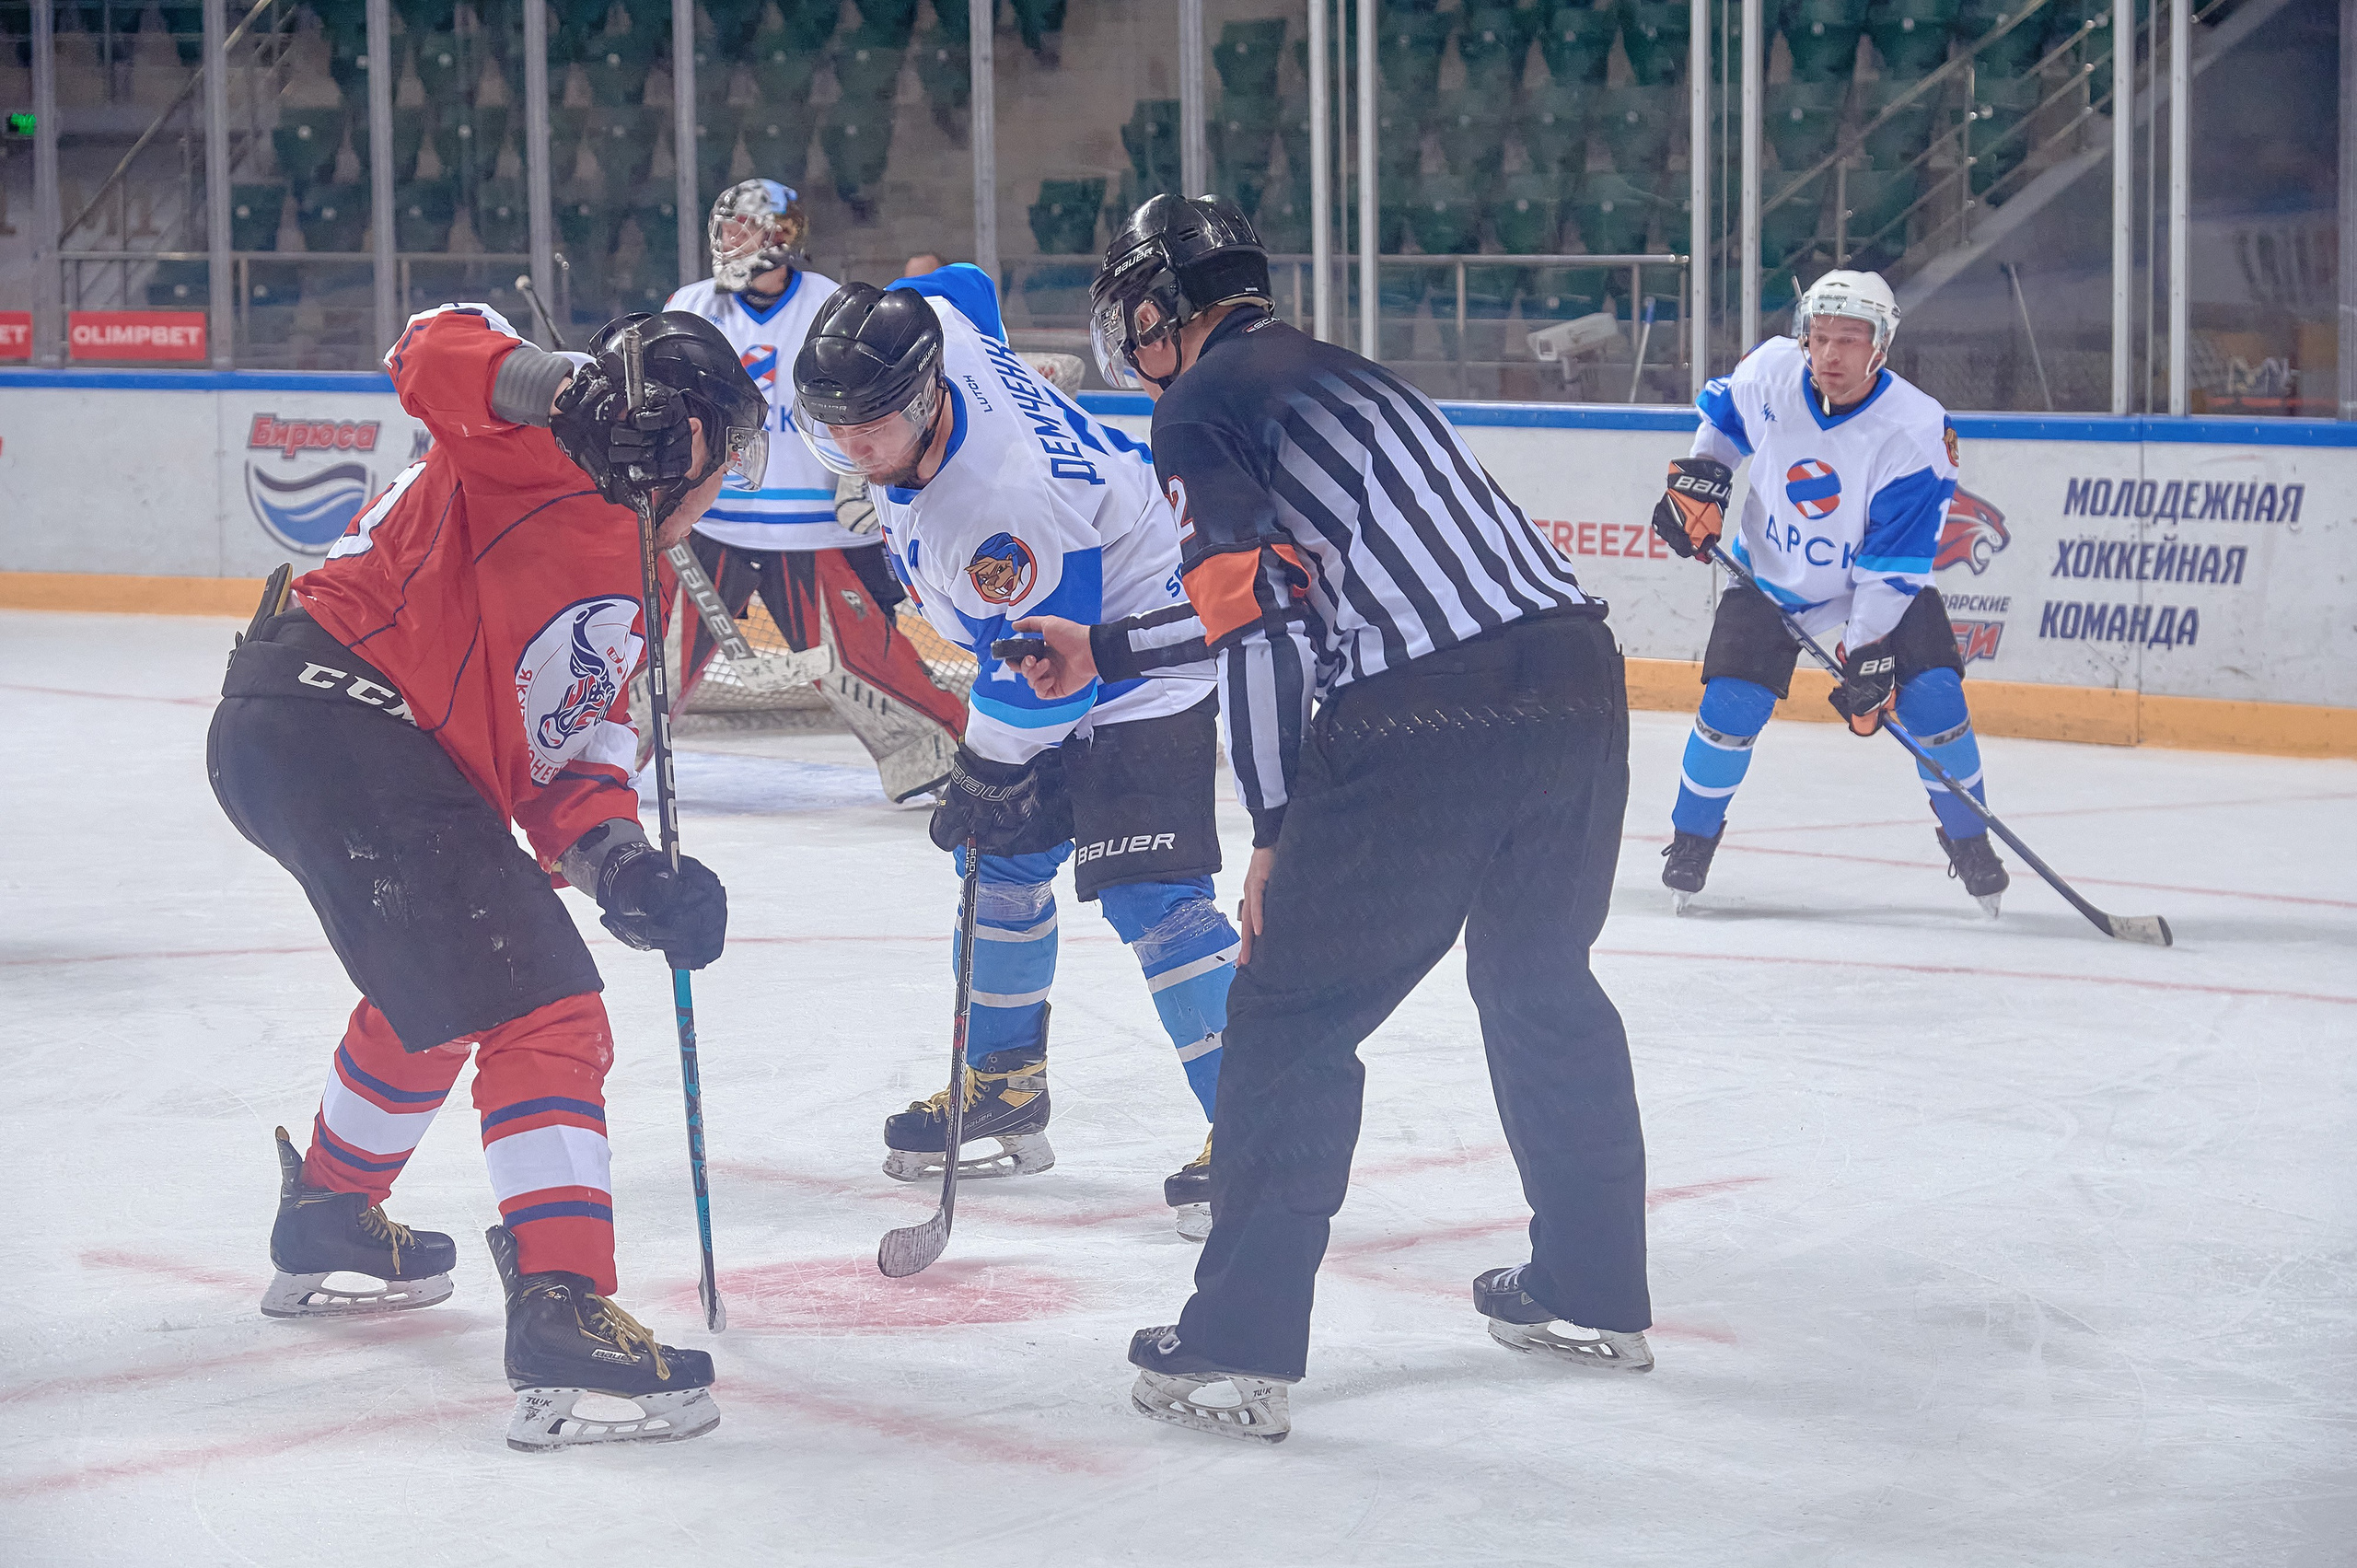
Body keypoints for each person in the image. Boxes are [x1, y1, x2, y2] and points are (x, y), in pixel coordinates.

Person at [1084, 195, 1654, 1445]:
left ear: (1156, 307)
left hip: (1422, 717)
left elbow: (1265, 626)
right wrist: (1110, 643)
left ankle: (1235, 1342)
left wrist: (1277, 821)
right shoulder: (1346, 375)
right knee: (1541, 984)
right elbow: (1306, 580)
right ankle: (1597, 1288)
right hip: (1574, 682)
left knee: (1286, 1016)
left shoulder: (1197, 405)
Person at [206, 303, 759, 1451]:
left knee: (448, 986)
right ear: (672, 431)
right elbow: (427, 345)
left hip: (336, 741)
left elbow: (566, 778)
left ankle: (328, 1212)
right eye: (724, 447)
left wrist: (632, 875)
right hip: (339, 716)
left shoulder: (644, 586)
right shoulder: (530, 443)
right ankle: (559, 1302)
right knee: (542, 1003)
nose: (727, 480)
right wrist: (571, 391)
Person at [789, 263, 1239, 1239]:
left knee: (1150, 894)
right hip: (1075, 614)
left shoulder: (993, 509)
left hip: (1142, 644)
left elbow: (1055, 674)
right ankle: (1002, 1081)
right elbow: (956, 281)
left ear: (921, 395)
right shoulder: (937, 329)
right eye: (834, 427)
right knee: (998, 862)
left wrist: (983, 769)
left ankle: (1261, 1127)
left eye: (870, 424)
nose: (852, 446)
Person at [1651, 269, 2009, 915]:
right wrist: (1700, 480)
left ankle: (1970, 839)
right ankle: (1690, 841)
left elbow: (1893, 559)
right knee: (1731, 705)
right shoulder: (1770, 373)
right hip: (1768, 572)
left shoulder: (1916, 430)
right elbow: (1726, 421)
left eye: (1850, 339)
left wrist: (1865, 648)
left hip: (1870, 589)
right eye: (1819, 337)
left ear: (1881, 345)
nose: (1831, 354)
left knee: (1934, 699)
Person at [665, 178, 968, 802]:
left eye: (742, 228)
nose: (728, 241)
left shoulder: (832, 305)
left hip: (812, 530)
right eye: (724, 228)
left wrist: (865, 489)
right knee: (648, 665)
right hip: (710, 524)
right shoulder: (691, 305)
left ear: (781, 235)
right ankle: (589, 758)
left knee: (864, 663)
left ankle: (949, 761)